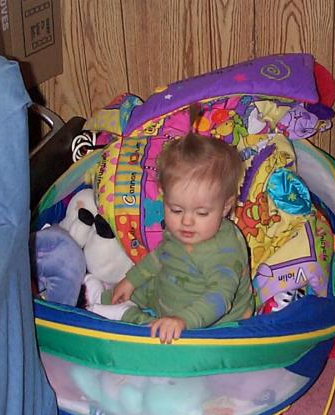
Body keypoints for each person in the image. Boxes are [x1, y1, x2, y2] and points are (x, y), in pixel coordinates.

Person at [86, 105, 254, 343]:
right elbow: (161, 255)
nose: (186, 221)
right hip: (168, 290)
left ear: (225, 207)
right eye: (176, 209)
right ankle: (104, 298)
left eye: (202, 213)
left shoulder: (224, 251)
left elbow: (220, 298)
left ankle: (125, 315)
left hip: (207, 321)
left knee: (162, 333)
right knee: (144, 285)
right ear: (164, 196)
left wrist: (182, 320)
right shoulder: (183, 229)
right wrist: (131, 280)